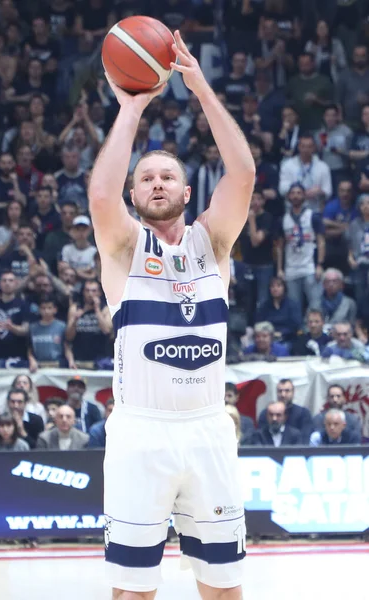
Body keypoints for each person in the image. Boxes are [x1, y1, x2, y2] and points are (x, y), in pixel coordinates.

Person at [88, 30, 255, 599]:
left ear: (187, 193)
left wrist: (199, 84)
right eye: (145, 178)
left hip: (208, 429)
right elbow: (100, 199)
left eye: (167, 176)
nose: (156, 182)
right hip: (142, 434)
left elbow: (244, 174)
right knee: (133, 592)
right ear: (135, 196)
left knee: (223, 587)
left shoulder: (215, 243)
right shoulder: (123, 249)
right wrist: (131, 107)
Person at [276, 183, 325, 314]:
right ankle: (299, 332)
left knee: (315, 303)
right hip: (291, 268)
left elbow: (321, 242)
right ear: (288, 196)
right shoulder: (283, 219)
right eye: (293, 193)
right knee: (294, 306)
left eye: (299, 193)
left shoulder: (313, 216)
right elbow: (280, 246)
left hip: (310, 267)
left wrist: (320, 265)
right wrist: (280, 269)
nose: (296, 196)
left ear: (304, 196)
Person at [0, 270, 30, 368]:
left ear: (16, 283)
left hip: (19, 356)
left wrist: (11, 327)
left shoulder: (23, 305)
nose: (7, 283)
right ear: (0, 284)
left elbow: (26, 330)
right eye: (4, 281)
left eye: (10, 280)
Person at [257, 378, 313, 443]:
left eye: (287, 391)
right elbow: (260, 437)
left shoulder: (303, 414)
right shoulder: (266, 413)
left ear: (293, 392)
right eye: (280, 391)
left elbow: (304, 440)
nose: (283, 395)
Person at [28, 295, 73, 372]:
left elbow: (67, 347)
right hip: (38, 366)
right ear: (39, 310)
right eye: (43, 308)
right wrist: (31, 360)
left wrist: (71, 361)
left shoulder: (61, 326)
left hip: (58, 365)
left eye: (49, 308)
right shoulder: (32, 328)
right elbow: (30, 349)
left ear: (55, 310)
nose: (46, 311)